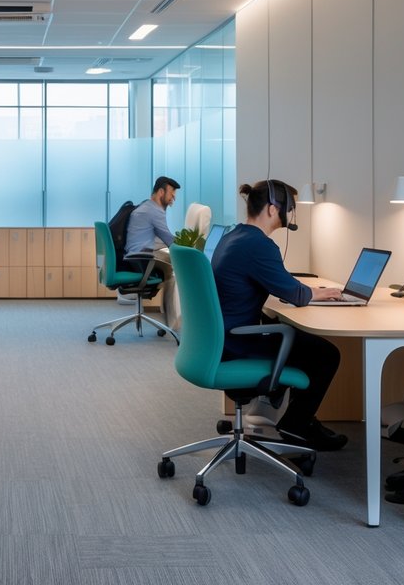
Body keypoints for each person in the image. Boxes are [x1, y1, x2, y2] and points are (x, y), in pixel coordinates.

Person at [209, 179, 348, 451]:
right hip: (237, 345)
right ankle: (296, 425)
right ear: (273, 209)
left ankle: (293, 415)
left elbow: (281, 284)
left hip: (221, 341)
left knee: (291, 334)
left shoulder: (233, 235)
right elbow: (294, 295)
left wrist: (306, 290)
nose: (291, 214)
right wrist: (322, 292)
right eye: (290, 208)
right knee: (326, 354)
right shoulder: (258, 245)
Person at [125, 175, 179, 253]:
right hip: (143, 257)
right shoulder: (155, 211)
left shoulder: (146, 205)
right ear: (161, 192)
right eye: (171, 194)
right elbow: (170, 241)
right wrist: (189, 245)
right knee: (180, 260)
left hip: (133, 254)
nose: (174, 198)